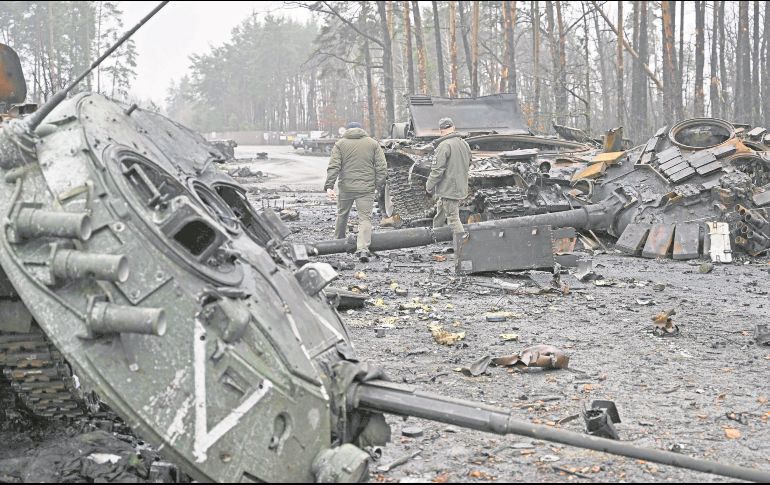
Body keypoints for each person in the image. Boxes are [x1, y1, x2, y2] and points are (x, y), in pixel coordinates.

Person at [325, 121, 387, 262]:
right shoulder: (372, 143)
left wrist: (329, 186)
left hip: (346, 188)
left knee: (342, 214)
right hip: (366, 189)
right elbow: (382, 167)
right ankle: (363, 249)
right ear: (361, 129)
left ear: (347, 130)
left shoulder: (340, 144)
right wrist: (377, 185)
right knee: (365, 218)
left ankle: (338, 241)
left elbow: (334, 166)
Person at [426, 117, 472, 236]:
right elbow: (469, 162)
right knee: (440, 212)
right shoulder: (464, 143)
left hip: (449, 188)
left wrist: (429, 185)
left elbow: (437, 171)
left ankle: (463, 245)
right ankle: (436, 236)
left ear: (441, 131)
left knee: (453, 219)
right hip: (459, 186)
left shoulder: (443, 145)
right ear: (454, 128)